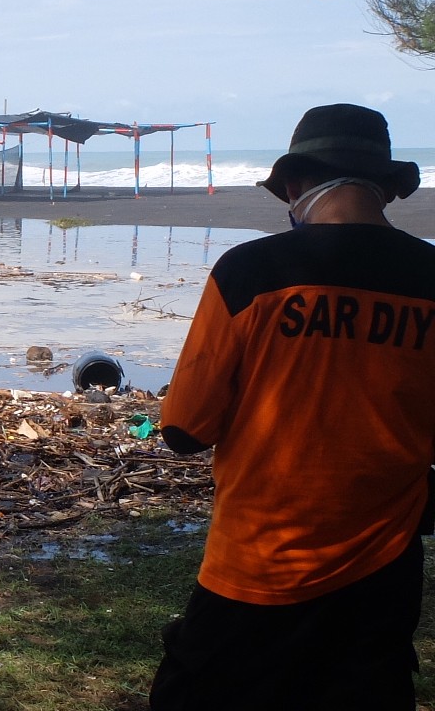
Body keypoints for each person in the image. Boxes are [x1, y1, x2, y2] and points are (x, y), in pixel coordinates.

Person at [149, 103, 434, 710]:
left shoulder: (250, 274)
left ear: (298, 184)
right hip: (382, 567)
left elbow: (184, 430)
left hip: (257, 561)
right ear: (385, 189)